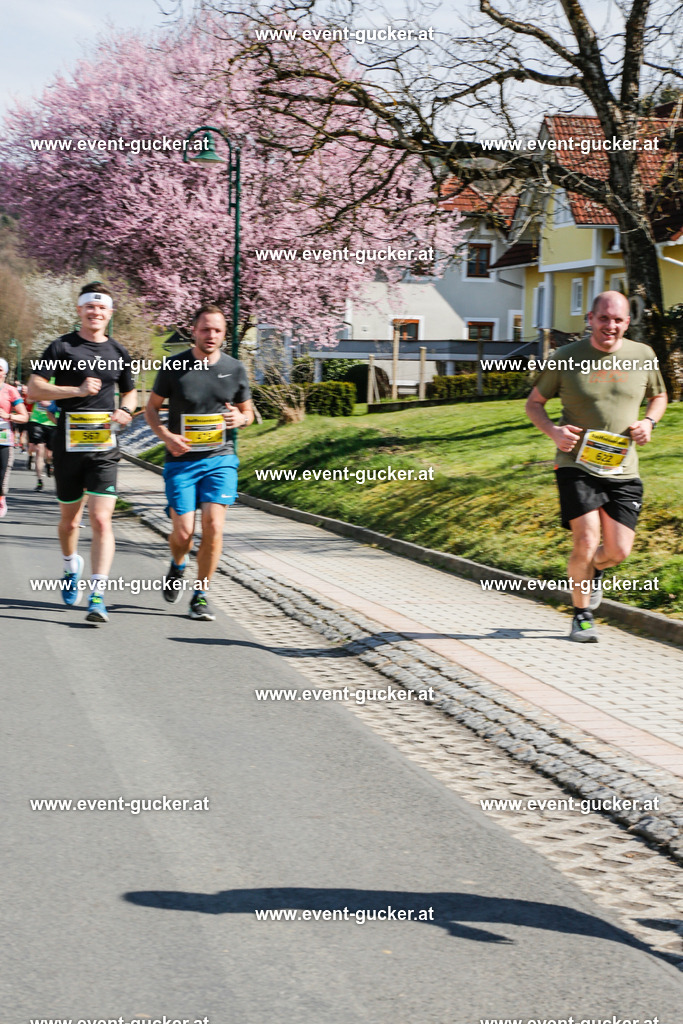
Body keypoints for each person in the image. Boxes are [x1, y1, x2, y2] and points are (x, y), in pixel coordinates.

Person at [525, 290, 667, 642]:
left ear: (627, 323)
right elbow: (534, 404)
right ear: (590, 319)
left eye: (618, 319)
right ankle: (581, 614)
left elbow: (660, 395)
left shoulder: (643, 355)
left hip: (623, 469)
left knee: (618, 551)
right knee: (586, 540)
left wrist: (649, 422)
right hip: (576, 464)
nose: (610, 325)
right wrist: (554, 432)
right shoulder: (565, 357)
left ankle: (595, 573)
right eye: (603, 318)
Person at [27, 282, 137, 624]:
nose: (96, 313)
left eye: (102, 308)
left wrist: (126, 412)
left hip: (104, 447)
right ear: (80, 311)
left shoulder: (119, 352)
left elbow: (130, 394)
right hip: (68, 445)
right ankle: (69, 565)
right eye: (90, 307)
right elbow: (33, 388)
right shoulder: (62, 346)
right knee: (70, 521)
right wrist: (74, 389)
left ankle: (98, 593)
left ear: (110, 313)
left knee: (102, 519)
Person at [145, 304, 253, 620]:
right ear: (193, 331)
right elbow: (151, 409)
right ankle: (178, 565)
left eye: (217, 330)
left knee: (214, 526)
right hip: (181, 461)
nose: (211, 335)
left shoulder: (235, 369)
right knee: (182, 535)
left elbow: (247, 412)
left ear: (224, 334)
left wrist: (240, 419)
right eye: (205, 329)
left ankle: (201, 594)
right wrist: (165, 436)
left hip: (220, 460)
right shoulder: (173, 366)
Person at [0, 358, 29, 517]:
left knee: (2, 474)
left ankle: (1, 497)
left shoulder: (10, 390)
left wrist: (8, 415)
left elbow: (24, 417)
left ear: (4, 372)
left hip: (4, 439)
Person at [27, 399, 57, 490]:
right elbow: (28, 399)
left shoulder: (57, 384)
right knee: (39, 451)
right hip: (36, 421)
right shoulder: (36, 384)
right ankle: (40, 481)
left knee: (49, 455)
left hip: (52, 422)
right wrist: (37, 398)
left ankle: (49, 464)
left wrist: (50, 404)